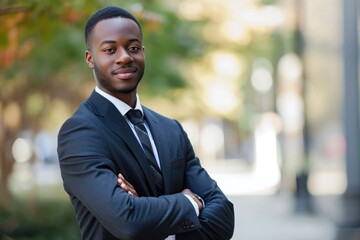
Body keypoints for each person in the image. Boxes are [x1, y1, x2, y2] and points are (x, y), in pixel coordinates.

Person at [57, 6, 234, 240]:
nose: (124, 57)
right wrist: (190, 202)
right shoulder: (80, 132)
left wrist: (149, 211)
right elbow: (127, 221)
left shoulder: (171, 130)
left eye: (133, 48)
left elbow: (224, 218)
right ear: (90, 58)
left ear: (143, 51)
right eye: (110, 49)